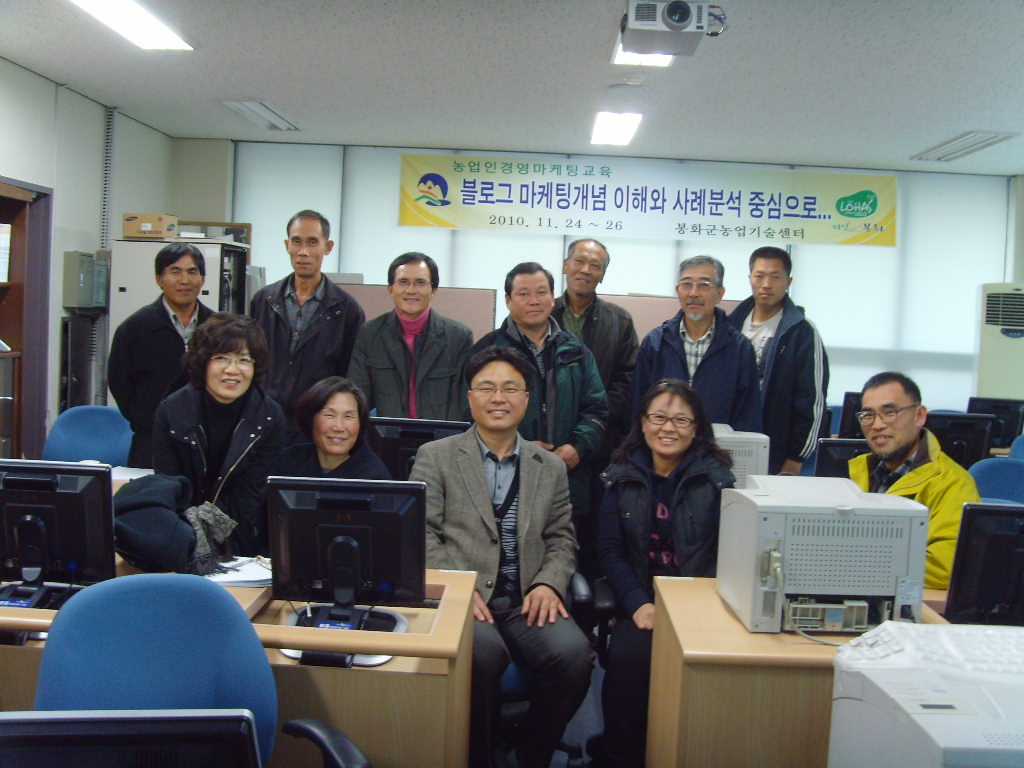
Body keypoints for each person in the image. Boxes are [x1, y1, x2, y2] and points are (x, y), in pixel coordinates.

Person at [409, 345, 592, 768]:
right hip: (465, 597)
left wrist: (549, 583)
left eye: (511, 389)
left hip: (526, 598)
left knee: (574, 657)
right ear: (470, 397)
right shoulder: (436, 456)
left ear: (526, 399)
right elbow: (421, 533)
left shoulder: (549, 466)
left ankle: (531, 753)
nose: (498, 398)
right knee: (483, 655)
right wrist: (457, 587)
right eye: (487, 388)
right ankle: (479, 754)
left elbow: (562, 537)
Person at [593, 379, 734, 768]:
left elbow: (728, 552)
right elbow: (609, 551)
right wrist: (637, 604)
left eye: (680, 420)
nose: (668, 428)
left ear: (696, 428)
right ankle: (621, 755)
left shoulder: (716, 479)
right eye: (658, 417)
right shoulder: (620, 475)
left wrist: (697, 605)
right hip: (642, 600)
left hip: (701, 603)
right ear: (642, 422)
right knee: (629, 659)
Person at [467, 262, 608, 522]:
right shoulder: (487, 351)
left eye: (541, 292)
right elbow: (469, 414)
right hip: (501, 478)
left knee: (562, 541)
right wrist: (515, 448)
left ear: (552, 298)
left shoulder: (576, 350)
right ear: (508, 301)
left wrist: (577, 448)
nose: (534, 300)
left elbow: (597, 409)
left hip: (567, 479)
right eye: (524, 294)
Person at [152, 313, 284, 555]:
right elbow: (169, 487)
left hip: (240, 536)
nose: (233, 370)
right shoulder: (172, 411)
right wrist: (190, 539)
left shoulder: (268, 417)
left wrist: (214, 543)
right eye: (221, 358)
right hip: (179, 533)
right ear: (203, 362)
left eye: (244, 360)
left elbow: (250, 497)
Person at [848, 372, 980, 589]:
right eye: (868, 415)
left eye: (889, 413)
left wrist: (856, 562)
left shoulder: (953, 482)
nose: (877, 425)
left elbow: (947, 565)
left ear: (919, 416)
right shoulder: (854, 473)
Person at [249, 209, 364, 441]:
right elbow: (252, 361)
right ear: (287, 245)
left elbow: (349, 377)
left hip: (317, 424)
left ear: (327, 247)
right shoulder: (264, 301)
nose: (303, 252)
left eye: (312, 242)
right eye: (296, 242)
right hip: (265, 419)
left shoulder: (347, 310)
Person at [108, 242, 214, 467]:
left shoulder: (217, 327)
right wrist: (147, 420)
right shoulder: (135, 328)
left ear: (203, 279)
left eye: (192, 272)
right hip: (151, 442)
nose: (184, 280)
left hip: (208, 441)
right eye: (175, 272)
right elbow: (120, 384)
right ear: (159, 279)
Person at [726, 246, 829, 474]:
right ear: (750, 278)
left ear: (788, 282)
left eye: (775, 277)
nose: (766, 284)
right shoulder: (729, 327)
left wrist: (796, 458)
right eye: (759, 276)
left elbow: (811, 400)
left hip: (777, 452)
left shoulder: (801, 332)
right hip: (727, 446)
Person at [630, 255, 762, 433]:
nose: (693, 293)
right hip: (663, 444)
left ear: (719, 294)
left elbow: (748, 415)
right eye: (687, 284)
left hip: (716, 446)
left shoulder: (740, 348)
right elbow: (637, 406)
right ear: (678, 290)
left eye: (704, 285)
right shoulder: (655, 343)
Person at [348, 252, 472, 420]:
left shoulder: (459, 338)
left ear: (434, 290)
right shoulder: (369, 334)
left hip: (440, 434)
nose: (411, 290)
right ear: (390, 289)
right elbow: (357, 397)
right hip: (384, 434)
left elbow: (462, 403)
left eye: (420, 282)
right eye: (403, 282)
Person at [277, 376, 390, 480]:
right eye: (330, 415)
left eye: (348, 417)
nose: (339, 427)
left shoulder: (374, 477)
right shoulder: (290, 461)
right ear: (310, 419)